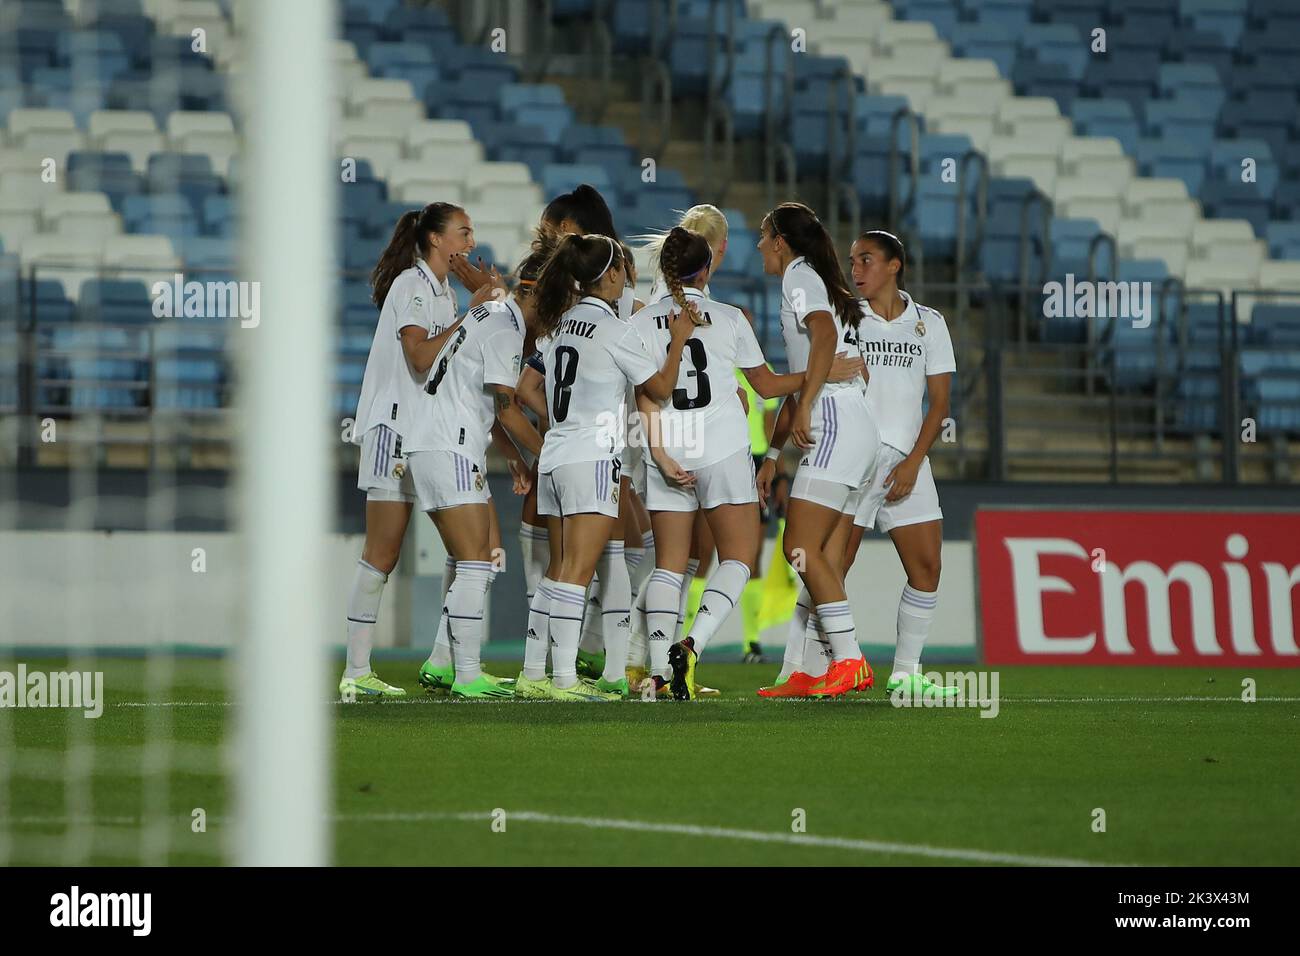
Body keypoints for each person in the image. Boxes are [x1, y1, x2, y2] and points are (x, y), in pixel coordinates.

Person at [633, 226, 864, 700]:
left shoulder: (639, 322)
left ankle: (657, 674)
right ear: (708, 269)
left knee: (670, 566)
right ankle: (692, 647)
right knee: (738, 558)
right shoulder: (730, 317)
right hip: (722, 448)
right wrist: (820, 373)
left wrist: (658, 452)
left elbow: (645, 396)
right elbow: (765, 385)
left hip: (669, 447)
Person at [514, 233, 699, 701]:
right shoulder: (615, 330)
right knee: (579, 571)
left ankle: (534, 674)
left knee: (558, 570)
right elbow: (657, 388)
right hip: (593, 459)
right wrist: (678, 341)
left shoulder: (557, 324)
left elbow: (530, 390)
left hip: (553, 457)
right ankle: (564, 682)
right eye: (622, 270)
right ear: (613, 274)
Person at [340, 202, 497, 699]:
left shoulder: (443, 292)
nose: (470, 243)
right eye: (463, 233)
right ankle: (356, 671)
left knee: (467, 548)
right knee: (382, 554)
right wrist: (474, 314)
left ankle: (444, 660)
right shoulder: (412, 285)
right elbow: (420, 356)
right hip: (394, 429)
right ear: (435, 240)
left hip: (427, 433)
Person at [404, 240, 544, 699]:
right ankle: (467, 675)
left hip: (435, 443)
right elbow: (507, 407)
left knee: (473, 557)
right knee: (476, 563)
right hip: (450, 447)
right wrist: (547, 453)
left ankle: (442, 663)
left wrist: (518, 459)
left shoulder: (492, 314)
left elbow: (486, 398)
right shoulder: (507, 328)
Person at [753, 202, 880, 699]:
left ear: (782, 241)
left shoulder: (798, 276)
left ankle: (848, 660)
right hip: (854, 423)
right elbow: (815, 361)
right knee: (824, 556)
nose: (761, 245)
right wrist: (773, 453)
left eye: (765, 237)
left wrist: (807, 404)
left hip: (834, 422)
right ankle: (810, 667)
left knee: (797, 548)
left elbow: (823, 336)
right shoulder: (824, 281)